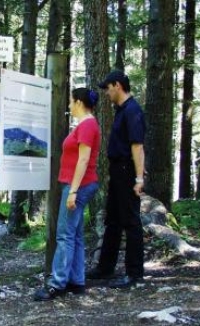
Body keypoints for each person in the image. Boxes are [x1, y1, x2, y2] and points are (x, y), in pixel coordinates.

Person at [34, 88, 101, 301]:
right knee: (75, 234)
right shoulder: (84, 125)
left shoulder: (88, 125)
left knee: (64, 234)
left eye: (71, 102)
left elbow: (83, 160)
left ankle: (57, 284)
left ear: (80, 102)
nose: (69, 106)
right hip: (77, 185)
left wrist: (72, 191)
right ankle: (76, 281)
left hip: (77, 186)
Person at [87, 70, 146, 288]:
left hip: (126, 170)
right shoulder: (123, 110)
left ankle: (134, 273)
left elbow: (138, 145)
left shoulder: (132, 111)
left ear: (118, 85)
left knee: (130, 220)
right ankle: (105, 267)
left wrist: (139, 177)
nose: (107, 92)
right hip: (118, 169)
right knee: (113, 219)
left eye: (108, 87)